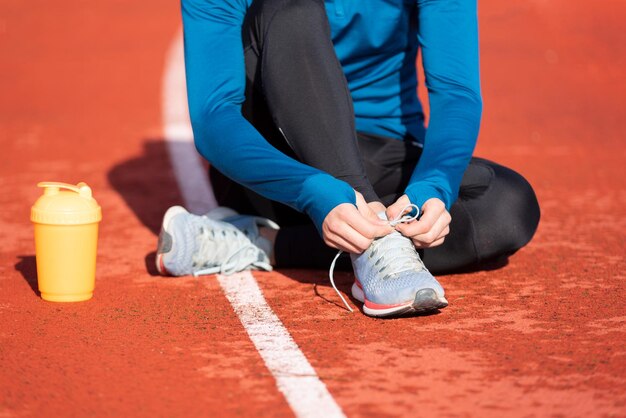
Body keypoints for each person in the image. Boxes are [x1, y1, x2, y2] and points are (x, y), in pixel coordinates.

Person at [156, 0, 540, 317]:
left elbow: (456, 93)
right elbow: (214, 117)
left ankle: (267, 242)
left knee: (509, 206)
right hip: (275, 167)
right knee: (290, 8)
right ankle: (374, 244)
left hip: (380, 149)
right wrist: (312, 190)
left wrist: (433, 187)